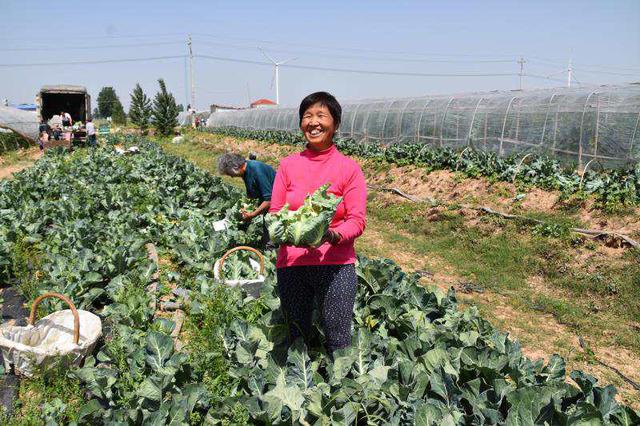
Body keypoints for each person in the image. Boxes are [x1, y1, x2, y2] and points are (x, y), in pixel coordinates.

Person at [269, 91, 367, 356]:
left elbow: (357, 221)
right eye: (307, 116)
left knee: (338, 340)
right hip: (292, 265)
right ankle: (300, 389)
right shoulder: (288, 165)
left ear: (335, 124)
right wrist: (283, 231)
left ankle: (343, 392)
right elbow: (276, 211)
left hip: (335, 266)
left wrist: (331, 235)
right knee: (297, 337)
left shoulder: (349, 168)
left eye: (321, 116)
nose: (313, 122)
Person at [217, 153, 276, 245]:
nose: (232, 176)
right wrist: (246, 207)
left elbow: (269, 200)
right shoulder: (245, 171)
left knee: (271, 235)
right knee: (267, 234)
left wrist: (252, 214)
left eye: (229, 173)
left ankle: (273, 254)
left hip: (280, 204)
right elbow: (252, 193)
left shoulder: (257, 170)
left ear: (235, 167)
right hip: (269, 202)